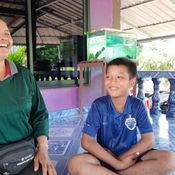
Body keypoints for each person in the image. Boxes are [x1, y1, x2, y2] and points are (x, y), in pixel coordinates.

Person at [68, 58, 175, 175]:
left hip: (131, 156)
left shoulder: (137, 105)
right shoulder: (99, 105)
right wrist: (116, 163)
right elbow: (87, 141)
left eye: (119, 77)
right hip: (105, 156)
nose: (112, 82)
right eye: (108, 77)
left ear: (132, 82)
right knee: (74, 163)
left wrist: (123, 159)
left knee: (170, 160)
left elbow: (148, 140)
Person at [0, 19, 57, 175]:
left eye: (6, 33)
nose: (4, 38)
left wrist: (43, 149)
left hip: (24, 154)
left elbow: (40, 114)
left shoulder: (24, 75)